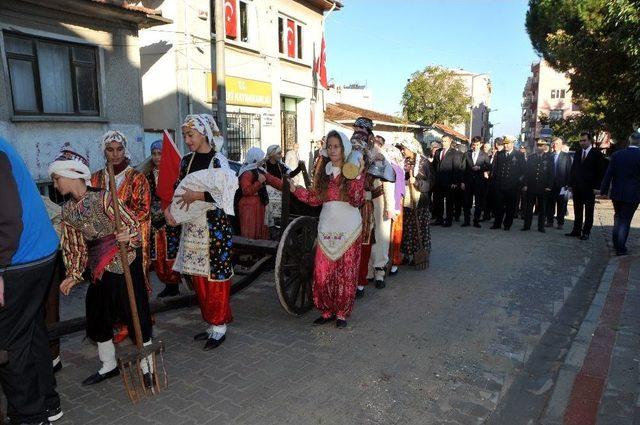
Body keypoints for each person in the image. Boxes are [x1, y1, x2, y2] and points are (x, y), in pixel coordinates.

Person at [50, 148, 155, 387]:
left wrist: (127, 236)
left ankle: (146, 366)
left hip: (125, 261)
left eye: (57, 178)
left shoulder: (105, 197)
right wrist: (74, 274)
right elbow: (75, 247)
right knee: (96, 313)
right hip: (99, 267)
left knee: (134, 312)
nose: (55, 184)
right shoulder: (68, 211)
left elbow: (133, 225)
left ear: (71, 174)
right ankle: (109, 365)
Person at [0, 138, 62, 424]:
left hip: (19, 259)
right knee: (31, 330)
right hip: (40, 251)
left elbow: (8, 217)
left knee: (9, 342)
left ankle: (29, 415)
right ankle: (48, 404)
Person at [164, 114, 235, 350]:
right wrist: (169, 210)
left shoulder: (218, 161)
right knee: (198, 278)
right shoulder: (186, 161)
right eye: (185, 135)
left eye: (190, 135)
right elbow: (177, 190)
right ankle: (211, 322)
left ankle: (219, 326)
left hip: (214, 228)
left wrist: (196, 195)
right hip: (193, 227)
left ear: (204, 133)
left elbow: (226, 195)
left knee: (215, 278)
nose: (187, 139)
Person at [291, 130, 365, 328]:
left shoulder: (354, 170)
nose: (332, 150)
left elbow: (357, 200)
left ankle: (341, 313)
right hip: (327, 227)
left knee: (345, 273)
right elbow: (315, 199)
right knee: (323, 273)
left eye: (336, 146)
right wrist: (295, 190)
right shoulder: (324, 172)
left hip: (349, 229)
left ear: (344, 148)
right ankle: (326, 310)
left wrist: (356, 177)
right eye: (330, 146)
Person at [91, 131, 152, 289]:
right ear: (104, 151)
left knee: (132, 283)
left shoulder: (137, 177)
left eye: (119, 149)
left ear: (125, 150)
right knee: (108, 284)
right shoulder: (95, 178)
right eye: (110, 150)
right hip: (104, 240)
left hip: (131, 238)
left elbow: (144, 209)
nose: (116, 154)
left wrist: (123, 226)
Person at [143, 140, 182, 298]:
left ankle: (174, 285)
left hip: (171, 220)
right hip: (154, 221)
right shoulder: (147, 175)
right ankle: (167, 284)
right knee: (158, 255)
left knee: (171, 252)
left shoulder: (175, 174)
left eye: (160, 153)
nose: (157, 157)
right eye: (154, 154)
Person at [600, 131, 640, 255]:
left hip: (617, 193)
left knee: (618, 218)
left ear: (629, 140)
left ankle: (616, 243)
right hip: (633, 194)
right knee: (625, 221)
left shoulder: (617, 155)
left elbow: (608, 174)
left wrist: (604, 190)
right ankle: (620, 248)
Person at [365, 135, 396, 291]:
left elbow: (388, 181)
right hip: (363, 202)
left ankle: (379, 271)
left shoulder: (380, 154)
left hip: (379, 200)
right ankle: (368, 270)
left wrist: (390, 206)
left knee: (380, 236)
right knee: (366, 237)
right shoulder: (355, 153)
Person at [567, 132, 607, 240]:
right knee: (577, 210)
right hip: (577, 187)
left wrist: (598, 187)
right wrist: (571, 184)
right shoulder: (578, 153)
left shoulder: (596, 154)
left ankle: (586, 232)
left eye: (584, 140)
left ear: (590, 141)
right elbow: (573, 169)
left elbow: (601, 172)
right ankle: (576, 230)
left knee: (589, 211)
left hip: (590, 188)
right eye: (580, 140)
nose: (582, 143)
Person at [237, 147, 283, 240]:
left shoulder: (258, 170)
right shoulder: (247, 173)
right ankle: (249, 252)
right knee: (250, 232)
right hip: (249, 207)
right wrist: (259, 182)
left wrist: (286, 186)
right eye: (261, 159)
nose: (263, 161)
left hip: (258, 205)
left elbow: (271, 179)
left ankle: (258, 251)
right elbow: (246, 191)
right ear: (255, 159)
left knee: (259, 230)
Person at [400, 140, 432, 266]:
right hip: (408, 201)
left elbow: (430, 182)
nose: (403, 151)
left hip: (420, 202)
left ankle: (419, 254)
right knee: (408, 229)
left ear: (411, 148)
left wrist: (417, 183)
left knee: (420, 229)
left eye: (405, 148)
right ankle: (407, 254)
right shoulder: (404, 161)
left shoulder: (424, 163)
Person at [490, 136, 526, 231]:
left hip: (512, 186)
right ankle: (497, 223)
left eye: (507, 143)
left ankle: (507, 224)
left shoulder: (519, 155)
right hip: (500, 184)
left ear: (512, 144)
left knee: (510, 207)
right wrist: (495, 183)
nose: (505, 145)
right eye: (504, 143)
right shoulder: (500, 154)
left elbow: (523, 171)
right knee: (499, 206)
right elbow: (496, 169)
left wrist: (520, 183)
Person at [522, 140, 553, 232]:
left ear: (545, 147)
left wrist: (549, 186)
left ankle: (541, 227)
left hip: (543, 187)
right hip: (531, 186)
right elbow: (526, 172)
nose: (539, 147)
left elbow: (551, 173)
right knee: (529, 208)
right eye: (538, 145)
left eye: (542, 146)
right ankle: (527, 226)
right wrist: (525, 184)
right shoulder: (531, 157)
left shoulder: (549, 158)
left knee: (542, 208)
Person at [432, 135, 462, 227]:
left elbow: (456, 168)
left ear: (450, 142)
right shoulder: (437, 152)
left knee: (449, 202)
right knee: (438, 201)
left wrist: (454, 181)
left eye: (445, 141)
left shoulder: (455, 153)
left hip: (449, 181)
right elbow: (434, 166)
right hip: (438, 181)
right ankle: (439, 219)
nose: (443, 143)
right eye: (442, 141)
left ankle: (449, 220)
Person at [462, 136, 491, 228]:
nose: (475, 147)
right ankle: (466, 221)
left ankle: (476, 221)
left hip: (479, 182)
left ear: (480, 145)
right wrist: (462, 182)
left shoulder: (484, 155)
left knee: (478, 202)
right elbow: (462, 168)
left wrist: (480, 168)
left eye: (477, 145)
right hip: (468, 181)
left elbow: (489, 167)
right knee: (466, 202)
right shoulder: (467, 154)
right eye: (474, 145)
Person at [545, 137, 573, 229]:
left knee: (561, 205)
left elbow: (569, 171)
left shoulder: (566, 156)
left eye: (557, 143)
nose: (555, 145)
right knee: (550, 204)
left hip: (561, 185)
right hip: (550, 184)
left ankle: (560, 223)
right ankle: (549, 221)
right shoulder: (550, 156)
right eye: (554, 143)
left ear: (561, 145)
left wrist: (568, 185)